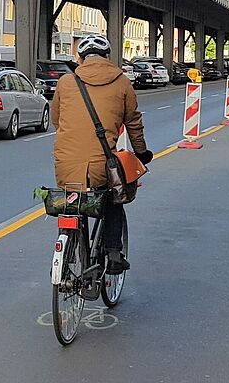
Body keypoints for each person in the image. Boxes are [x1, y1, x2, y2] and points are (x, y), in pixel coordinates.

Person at [51, 34, 153, 274]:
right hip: (101, 166)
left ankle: (68, 245)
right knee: (114, 199)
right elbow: (133, 123)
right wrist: (141, 152)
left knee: (72, 202)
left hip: (65, 165)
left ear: (81, 58)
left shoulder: (67, 82)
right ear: (108, 57)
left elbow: (57, 120)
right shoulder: (122, 81)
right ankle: (115, 254)